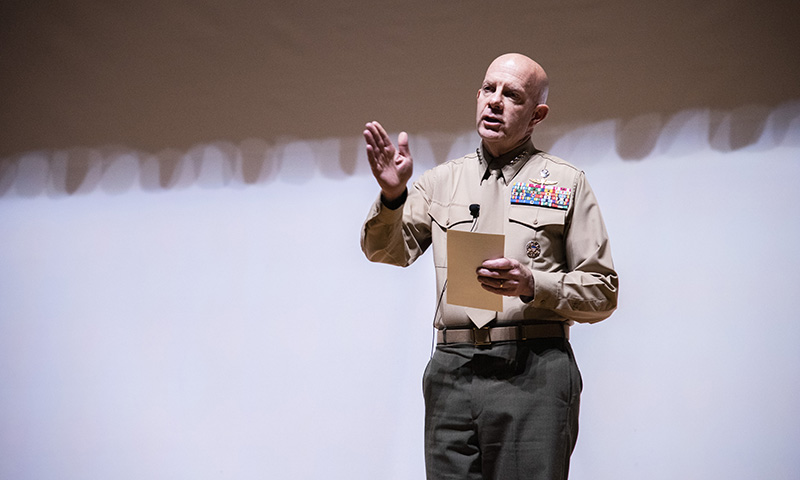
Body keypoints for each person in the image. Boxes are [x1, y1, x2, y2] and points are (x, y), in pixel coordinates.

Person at [360, 53, 618, 480]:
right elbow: (388, 251)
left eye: (511, 94)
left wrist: (533, 283)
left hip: (532, 369)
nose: (494, 101)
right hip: (453, 370)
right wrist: (392, 198)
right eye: (488, 89)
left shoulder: (565, 182)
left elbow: (602, 292)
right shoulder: (440, 181)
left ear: (537, 115)